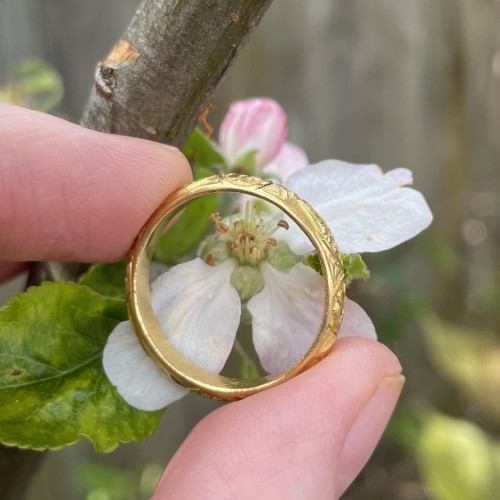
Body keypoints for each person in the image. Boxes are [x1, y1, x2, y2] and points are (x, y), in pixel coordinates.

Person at [0, 103, 404, 499]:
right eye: (239, 233)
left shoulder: (286, 250)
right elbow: (148, 357)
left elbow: (380, 203)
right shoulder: (206, 268)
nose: (248, 239)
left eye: (253, 236)